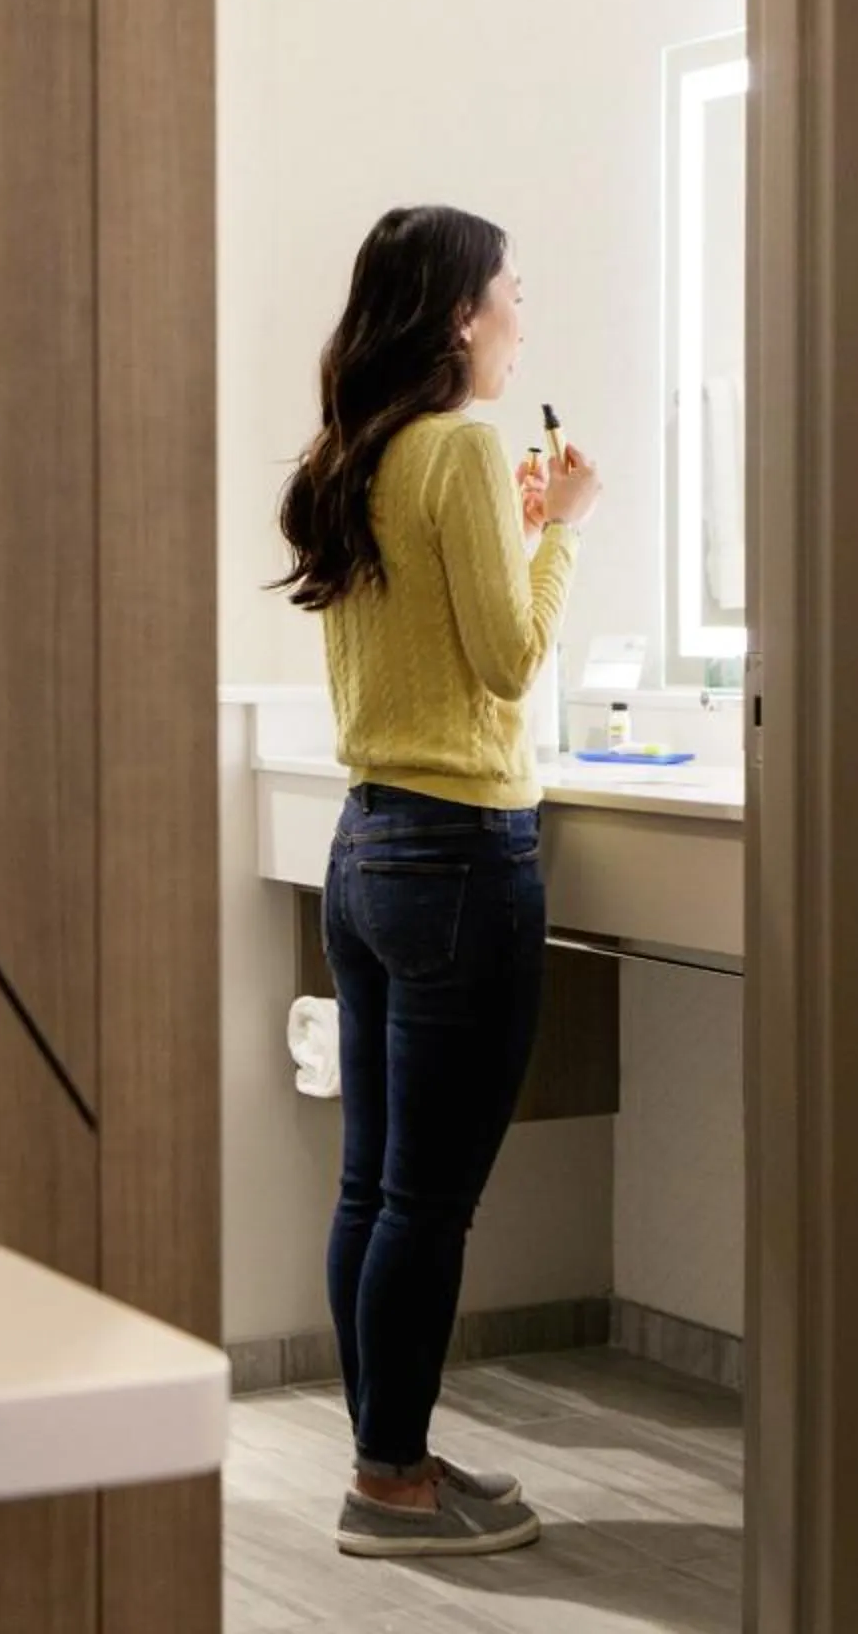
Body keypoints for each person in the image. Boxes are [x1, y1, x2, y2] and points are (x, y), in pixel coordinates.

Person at [273, 205, 602, 1558]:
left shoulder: (354, 454)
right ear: (464, 313)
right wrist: (564, 527)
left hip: (367, 850)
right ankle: (389, 1489)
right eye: (514, 292)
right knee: (425, 1201)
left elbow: (430, 638)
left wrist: (509, 531)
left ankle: (386, 1452)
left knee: (372, 1191)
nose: (525, 315)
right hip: (462, 853)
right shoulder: (461, 446)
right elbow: (512, 664)